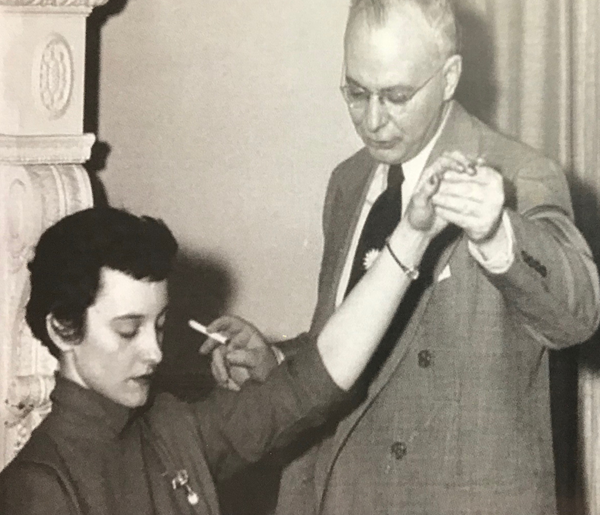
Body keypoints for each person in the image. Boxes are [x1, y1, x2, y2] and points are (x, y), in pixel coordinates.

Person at [204, 0, 600, 515]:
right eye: (356, 92)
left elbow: (577, 315)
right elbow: (357, 341)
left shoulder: (517, 174)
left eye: (396, 97)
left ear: (449, 77)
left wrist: (497, 234)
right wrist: (278, 359)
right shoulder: (348, 182)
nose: (373, 120)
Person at [0, 161, 462, 515]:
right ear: (63, 328)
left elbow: (313, 382)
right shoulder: (37, 488)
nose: (155, 352)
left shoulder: (171, 426)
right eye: (128, 330)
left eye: (159, 326)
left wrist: (412, 237)